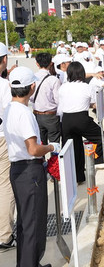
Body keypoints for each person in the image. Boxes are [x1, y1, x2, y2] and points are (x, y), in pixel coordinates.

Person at [4, 66, 61, 267]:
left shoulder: (9, 109)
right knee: (33, 223)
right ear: (32, 87)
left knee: (25, 221)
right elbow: (33, 149)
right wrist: (51, 146)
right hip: (30, 170)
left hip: (18, 170)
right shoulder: (24, 113)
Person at [57, 62, 104, 184]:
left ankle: (77, 177)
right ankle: (98, 161)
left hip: (66, 120)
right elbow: (92, 101)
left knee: (74, 148)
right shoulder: (85, 86)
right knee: (100, 136)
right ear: (82, 73)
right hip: (81, 118)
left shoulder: (63, 87)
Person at [0, 43, 15, 253]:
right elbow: (9, 113)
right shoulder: (4, 86)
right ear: (3, 60)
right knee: (4, 185)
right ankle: (4, 234)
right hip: (2, 138)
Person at [31, 52, 62, 145]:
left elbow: (31, 97)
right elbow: (58, 100)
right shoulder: (54, 80)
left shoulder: (32, 78)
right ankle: (54, 159)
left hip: (36, 115)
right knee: (54, 144)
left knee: (40, 143)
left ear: (37, 63)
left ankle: (42, 159)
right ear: (51, 63)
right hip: (51, 116)